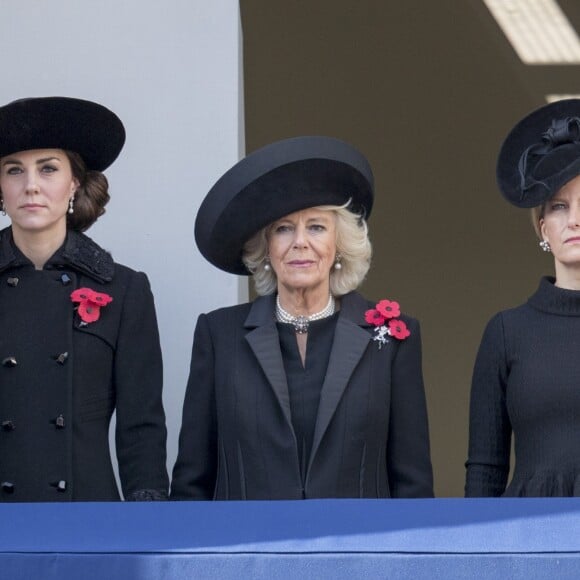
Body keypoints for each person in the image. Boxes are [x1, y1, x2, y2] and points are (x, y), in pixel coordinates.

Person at [171, 136, 433, 500]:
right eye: (283, 228)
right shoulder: (219, 335)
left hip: (358, 552)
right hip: (248, 551)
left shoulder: (390, 338)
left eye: (316, 226)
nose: (299, 242)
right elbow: (191, 481)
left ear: (339, 244)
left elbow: (413, 484)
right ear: (265, 248)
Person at [0, 96, 168, 501]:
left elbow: (141, 426)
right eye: (14, 170)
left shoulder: (124, 290)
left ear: (74, 182)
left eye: (48, 169)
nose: (31, 186)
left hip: (89, 519)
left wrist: (147, 517)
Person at [466, 98, 580, 497]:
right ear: (543, 227)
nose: (574, 220)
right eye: (560, 207)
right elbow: (485, 468)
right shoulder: (506, 331)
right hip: (530, 538)